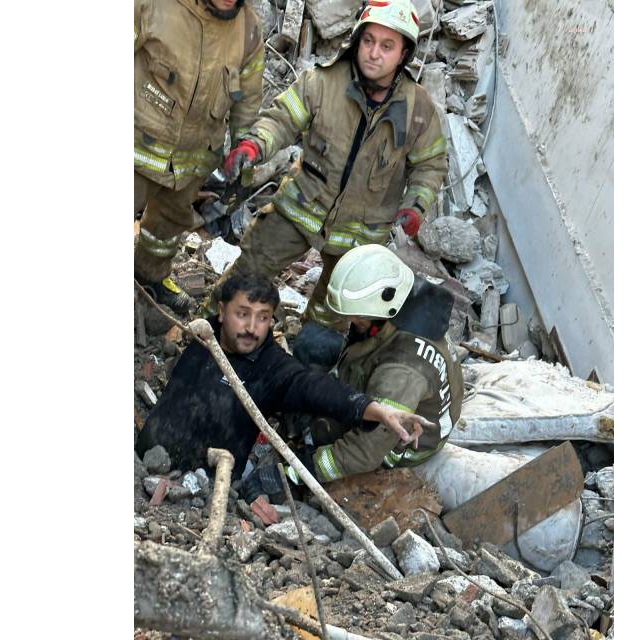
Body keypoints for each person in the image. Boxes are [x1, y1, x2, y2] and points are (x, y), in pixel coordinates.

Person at [199, 0, 448, 369]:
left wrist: (416, 205)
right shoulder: (323, 83)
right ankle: (206, 336)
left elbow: (430, 164)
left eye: (387, 46)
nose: (374, 54)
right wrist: (254, 145)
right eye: (369, 41)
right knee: (249, 270)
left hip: (360, 236)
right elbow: (282, 119)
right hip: (301, 206)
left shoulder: (419, 110)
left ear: (404, 54)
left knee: (332, 313)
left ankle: (301, 377)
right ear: (357, 40)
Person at [134, 271, 433, 520]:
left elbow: (314, 388)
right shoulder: (205, 333)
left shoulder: (272, 368)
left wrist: (373, 409)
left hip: (201, 488)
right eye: (243, 314)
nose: (252, 328)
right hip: (142, 459)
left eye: (263, 318)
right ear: (221, 312)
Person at [239, 245, 463, 522]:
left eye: (357, 316)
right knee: (313, 343)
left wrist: (294, 472)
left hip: (395, 444)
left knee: (325, 435)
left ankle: (307, 444)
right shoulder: (406, 300)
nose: (350, 321)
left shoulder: (402, 371)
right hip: (381, 385)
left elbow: (365, 451)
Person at [134, 0, 265, 311]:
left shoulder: (248, 31)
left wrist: (243, 166)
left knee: (167, 227)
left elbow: (247, 105)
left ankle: (149, 277)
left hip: (193, 161)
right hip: (137, 147)